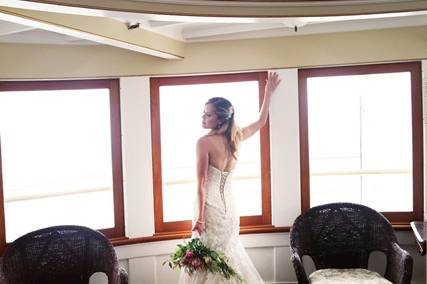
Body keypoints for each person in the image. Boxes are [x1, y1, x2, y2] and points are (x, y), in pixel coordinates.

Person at [180, 72, 280, 284]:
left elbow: (202, 183)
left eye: (207, 114)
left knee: (208, 259)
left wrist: (199, 218)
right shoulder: (236, 137)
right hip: (230, 210)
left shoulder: (203, 143)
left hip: (210, 210)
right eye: (203, 113)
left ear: (219, 118)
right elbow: (262, 121)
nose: (203, 117)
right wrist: (268, 92)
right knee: (226, 255)